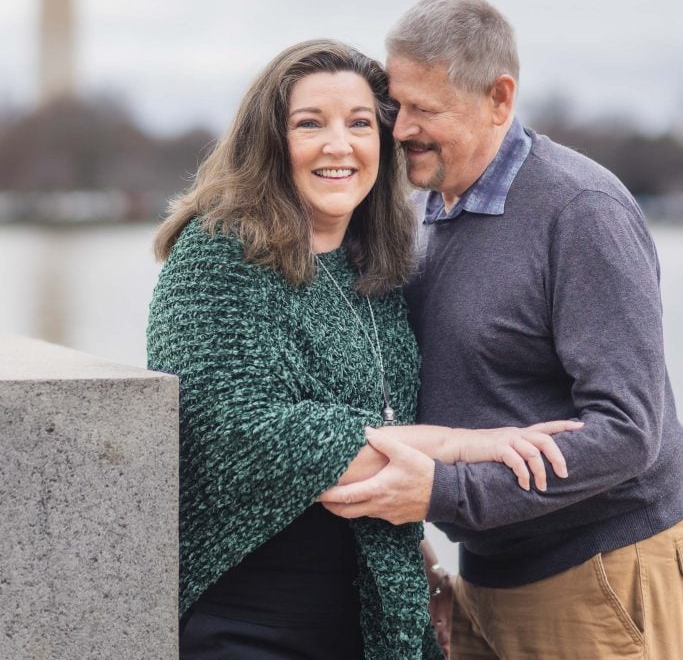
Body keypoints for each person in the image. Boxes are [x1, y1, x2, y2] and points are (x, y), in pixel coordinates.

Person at [146, 38, 580, 660]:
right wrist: (463, 446)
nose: (338, 145)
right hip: (249, 621)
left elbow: (376, 408)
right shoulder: (219, 252)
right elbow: (248, 434)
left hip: (378, 620)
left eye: (358, 124)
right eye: (309, 124)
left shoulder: (372, 270)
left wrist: (415, 549)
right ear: (269, 141)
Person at [320, 0, 683, 660]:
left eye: (425, 111)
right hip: (481, 577)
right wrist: (420, 536)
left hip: (596, 577)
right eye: (396, 107)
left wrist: (446, 491)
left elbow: (631, 431)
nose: (399, 130)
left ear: (498, 98)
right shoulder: (420, 217)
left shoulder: (580, 211)